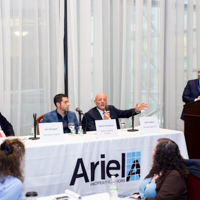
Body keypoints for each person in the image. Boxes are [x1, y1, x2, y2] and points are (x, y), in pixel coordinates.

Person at [82, 93, 147, 131]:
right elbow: (92, 131)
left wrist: (135, 110)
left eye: (104, 100)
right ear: (95, 102)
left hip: (115, 138)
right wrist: (104, 121)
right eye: (100, 100)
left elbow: (125, 113)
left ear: (106, 102)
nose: (102, 101)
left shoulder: (111, 109)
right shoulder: (89, 114)